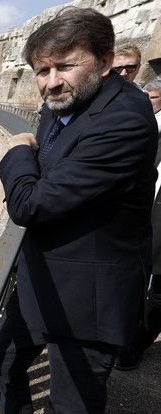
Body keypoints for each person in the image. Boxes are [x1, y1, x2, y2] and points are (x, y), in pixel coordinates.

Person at [0, 7, 157, 413]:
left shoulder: (125, 121)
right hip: (41, 278)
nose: (51, 82)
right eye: (42, 71)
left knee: (72, 405)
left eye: (65, 66)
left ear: (103, 62)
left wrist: (16, 151)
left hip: (88, 300)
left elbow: (30, 203)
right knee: (3, 363)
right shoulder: (66, 100)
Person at [115, 79, 161, 370]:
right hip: (144, 214)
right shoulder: (147, 126)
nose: (147, 100)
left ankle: (135, 346)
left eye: (153, 97)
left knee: (157, 292)